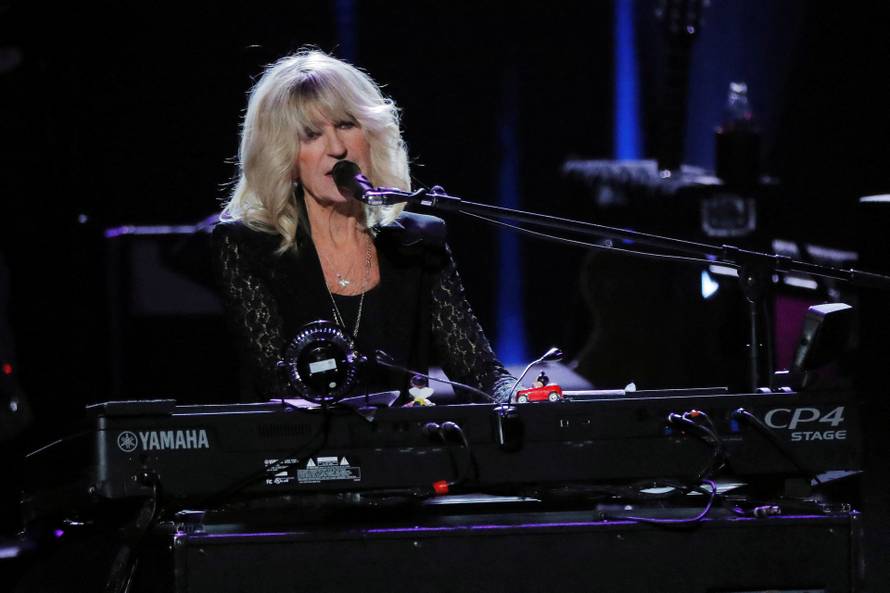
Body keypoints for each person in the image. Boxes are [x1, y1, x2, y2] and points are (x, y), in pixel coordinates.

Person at [212, 48, 514, 404]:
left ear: (369, 134)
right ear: (285, 156)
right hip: (309, 452)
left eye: (346, 124)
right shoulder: (248, 247)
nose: (337, 147)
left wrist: (517, 396)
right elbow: (277, 384)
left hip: (408, 453)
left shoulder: (418, 244)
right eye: (311, 135)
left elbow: (479, 370)